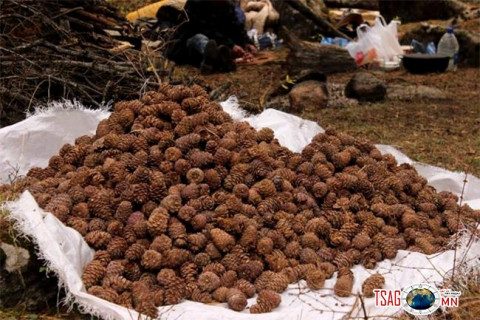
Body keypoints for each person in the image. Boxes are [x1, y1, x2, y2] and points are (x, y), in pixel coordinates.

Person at [163, 0, 257, 74]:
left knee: (216, 44)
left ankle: (217, 58)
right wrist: (230, 45)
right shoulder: (195, 4)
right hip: (189, 42)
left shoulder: (227, 6)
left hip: (220, 42)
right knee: (200, 39)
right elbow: (204, 29)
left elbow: (236, 27)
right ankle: (216, 55)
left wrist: (247, 42)